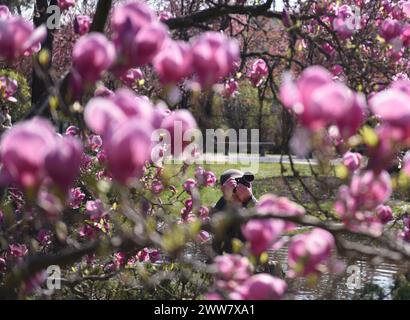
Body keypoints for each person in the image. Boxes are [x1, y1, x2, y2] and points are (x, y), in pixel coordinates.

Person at [211, 169, 258, 254]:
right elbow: (215, 219)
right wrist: (226, 199)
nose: (240, 190)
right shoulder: (218, 208)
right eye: (235, 187)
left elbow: (265, 219)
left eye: (244, 185)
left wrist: (249, 199)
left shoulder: (251, 207)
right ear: (224, 189)